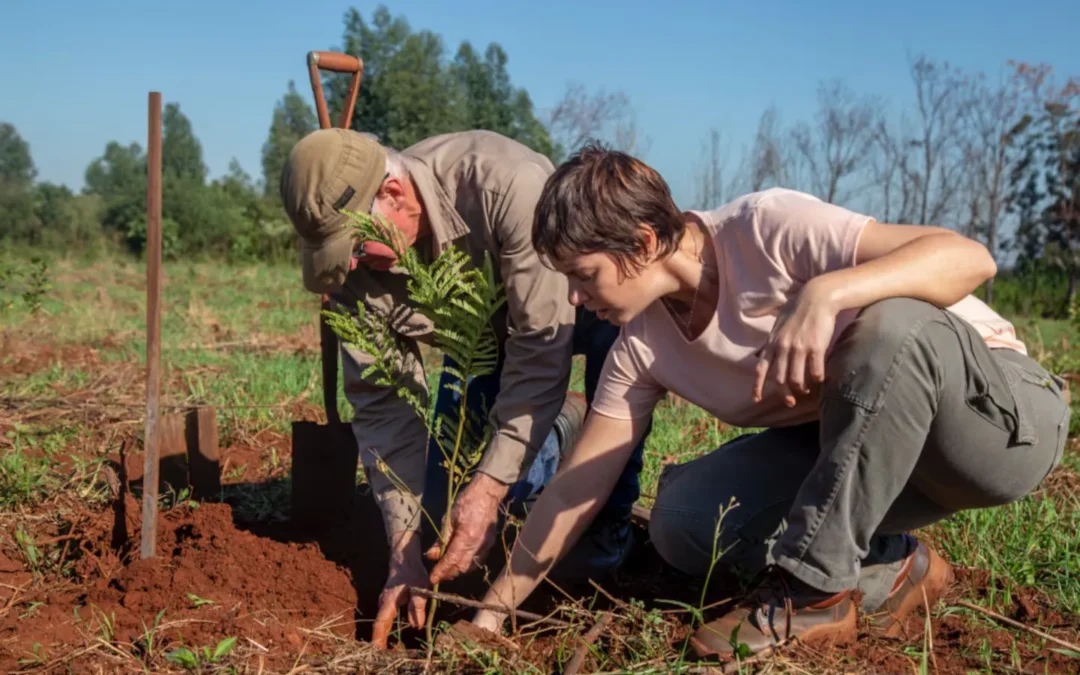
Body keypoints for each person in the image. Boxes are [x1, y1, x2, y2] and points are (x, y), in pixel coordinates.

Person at [469, 142, 1071, 660]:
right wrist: (488, 619)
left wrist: (827, 292)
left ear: (643, 242)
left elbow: (972, 257)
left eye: (584, 274)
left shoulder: (766, 228)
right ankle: (891, 565)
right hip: (877, 457)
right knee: (682, 522)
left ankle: (816, 597)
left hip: (998, 421)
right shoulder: (641, 345)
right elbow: (577, 487)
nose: (574, 298)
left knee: (890, 328)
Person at [279, 129, 651, 647]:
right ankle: (562, 426)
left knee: (619, 342)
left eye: (357, 245)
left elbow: (541, 355)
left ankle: (607, 520)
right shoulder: (353, 270)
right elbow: (382, 404)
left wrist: (490, 486)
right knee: (441, 519)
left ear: (394, 193)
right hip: (480, 343)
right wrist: (403, 550)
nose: (354, 264)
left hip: (571, 313)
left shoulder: (509, 187)